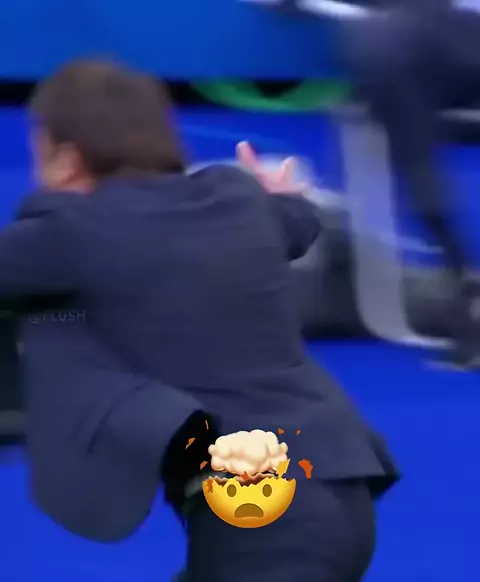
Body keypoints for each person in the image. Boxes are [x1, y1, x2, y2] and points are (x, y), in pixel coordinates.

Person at [3, 60, 398, 581]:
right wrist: (280, 195)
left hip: (263, 518)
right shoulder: (237, 198)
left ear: (67, 160)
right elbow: (297, 220)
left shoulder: (72, 231)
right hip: (342, 490)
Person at [339, 0, 480, 368]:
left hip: (398, 51)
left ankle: (466, 281)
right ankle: (467, 287)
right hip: (419, 43)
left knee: (418, 166)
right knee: (419, 165)